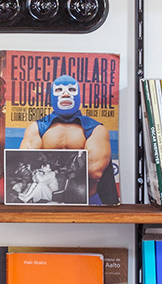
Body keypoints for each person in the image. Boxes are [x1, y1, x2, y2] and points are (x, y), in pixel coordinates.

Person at [18, 73, 117, 205]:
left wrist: (51, 170)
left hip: (87, 202)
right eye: (59, 90)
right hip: (48, 201)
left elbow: (94, 172)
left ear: (78, 95)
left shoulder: (95, 129)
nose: (65, 94)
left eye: (71, 90)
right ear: (52, 96)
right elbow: (28, 164)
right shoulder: (37, 128)